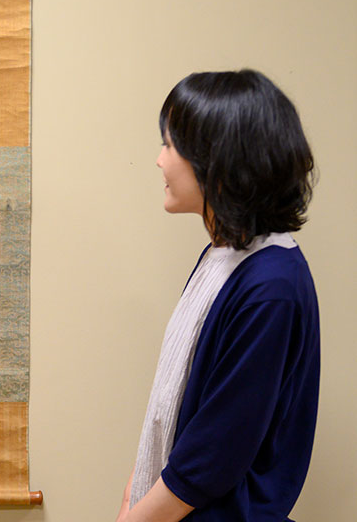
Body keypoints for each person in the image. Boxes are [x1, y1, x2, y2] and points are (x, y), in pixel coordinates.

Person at [117, 70, 320, 522]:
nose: (159, 160)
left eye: (169, 144)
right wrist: (133, 494)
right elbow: (170, 402)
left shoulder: (271, 287)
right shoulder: (223, 253)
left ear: (218, 161)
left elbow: (213, 455)